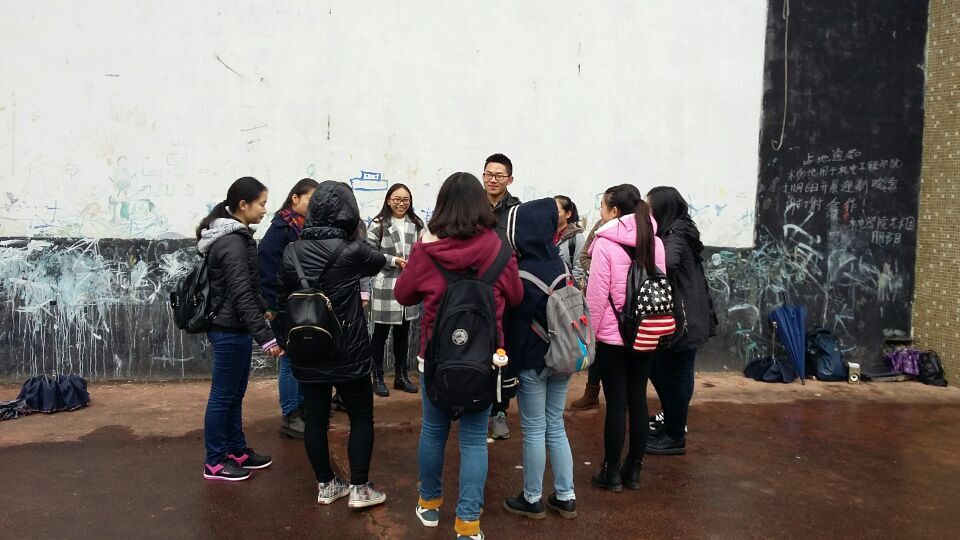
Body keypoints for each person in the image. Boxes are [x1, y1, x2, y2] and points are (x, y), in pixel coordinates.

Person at [395, 172, 523, 540]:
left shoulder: (426, 250)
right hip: (485, 360)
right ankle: (468, 523)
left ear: (442, 206)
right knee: (473, 440)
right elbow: (515, 297)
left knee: (433, 431)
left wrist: (421, 252)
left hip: (436, 360)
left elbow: (404, 295)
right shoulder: (500, 250)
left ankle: (429, 504)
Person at [275, 181, 388, 508]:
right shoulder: (352, 250)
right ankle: (360, 489)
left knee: (315, 420)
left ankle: (326, 485)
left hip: (308, 347)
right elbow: (378, 261)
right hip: (349, 349)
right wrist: (356, 234)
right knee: (361, 418)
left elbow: (281, 300)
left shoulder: (292, 251)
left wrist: (285, 341)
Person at [196, 176, 282, 482]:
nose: (264, 210)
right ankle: (215, 461)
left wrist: (264, 309)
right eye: (261, 204)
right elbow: (240, 293)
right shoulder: (232, 242)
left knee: (233, 395)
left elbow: (249, 289)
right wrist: (267, 338)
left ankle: (236, 450)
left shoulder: (238, 238)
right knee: (223, 396)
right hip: (228, 329)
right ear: (243, 205)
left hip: (236, 327)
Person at [501, 198, 578, 520]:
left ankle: (532, 498)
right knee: (555, 425)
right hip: (563, 356)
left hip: (533, 361)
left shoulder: (521, 273)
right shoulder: (561, 265)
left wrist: (509, 372)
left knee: (533, 429)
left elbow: (516, 330)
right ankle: (566, 495)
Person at [585, 184, 665, 492]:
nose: (601, 213)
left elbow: (596, 297)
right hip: (646, 332)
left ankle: (611, 472)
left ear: (615, 211)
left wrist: (589, 336)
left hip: (613, 336)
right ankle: (634, 470)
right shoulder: (655, 241)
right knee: (639, 400)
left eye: (602, 207)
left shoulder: (604, 243)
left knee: (616, 404)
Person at [645, 187, 717, 456]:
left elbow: (667, 262)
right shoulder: (681, 229)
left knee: (674, 374)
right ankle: (672, 422)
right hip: (689, 316)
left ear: (662, 208)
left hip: (684, 320)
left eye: (650, 207)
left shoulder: (674, 233)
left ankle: (675, 435)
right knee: (668, 371)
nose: (647, 212)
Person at [258, 178, 319, 438]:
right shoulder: (281, 228)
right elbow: (267, 269)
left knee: (305, 356)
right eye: (310, 199)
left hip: (306, 302)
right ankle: (291, 414)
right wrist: (274, 305)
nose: (314, 205)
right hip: (285, 306)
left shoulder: (308, 226)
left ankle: (303, 407)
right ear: (295, 198)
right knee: (289, 358)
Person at [366, 183, 425, 397]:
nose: (401, 203)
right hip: (386, 285)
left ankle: (401, 376)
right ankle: (377, 376)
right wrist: (393, 260)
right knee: (380, 334)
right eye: (397, 199)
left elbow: (425, 248)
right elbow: (369, 252)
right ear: (388, 201)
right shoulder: (378, 223)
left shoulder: (417, 224)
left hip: (409, 284)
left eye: (405, 200)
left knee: (403, 333)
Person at [483, 153, 521, 440]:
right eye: (488, 174)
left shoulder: (517, 211)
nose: (492, 180)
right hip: (475, 289)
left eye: (499, 175)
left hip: (505, 290)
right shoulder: (473, 205)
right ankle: (475, 405)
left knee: (502, 352)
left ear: (510, 179)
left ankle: (499, 411)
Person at [569, 217, 605, 411]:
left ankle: (624, 398)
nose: (601, 212)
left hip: (627, 302)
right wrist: (602, 271)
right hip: (598, 294)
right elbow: (584, 257)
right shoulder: (600, 227)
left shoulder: (638, 228)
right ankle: (591, 393)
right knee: (596, 345)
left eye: (603, 206)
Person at [554, 195, 585, 284]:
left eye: (556, 211)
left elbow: (579, 269)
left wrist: (568, 287)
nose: (552, 214)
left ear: (568, 214)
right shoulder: (545, 235)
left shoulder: (577, 237)